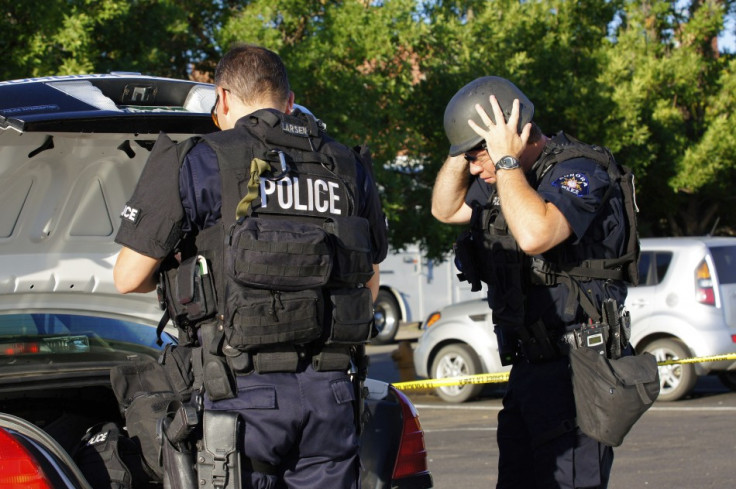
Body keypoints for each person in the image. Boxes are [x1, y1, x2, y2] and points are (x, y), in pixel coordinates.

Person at [113, 44, 388, 489]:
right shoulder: (347, 165)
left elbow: (127, 278)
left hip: (240, 397)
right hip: (331, 393)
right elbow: (369, 280)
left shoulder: (200, 158)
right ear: (290, 101)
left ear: (221, 99)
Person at [433, 76, 637, 488]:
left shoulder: (579, 170)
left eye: (479, 155)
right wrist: (463, 147)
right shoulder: (501, 183)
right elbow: (445, 208)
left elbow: (535, 235)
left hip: (577, 371)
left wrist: (504, 160)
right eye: (470, 157)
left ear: (517, 133)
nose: (475, 168)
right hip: (530, 368)